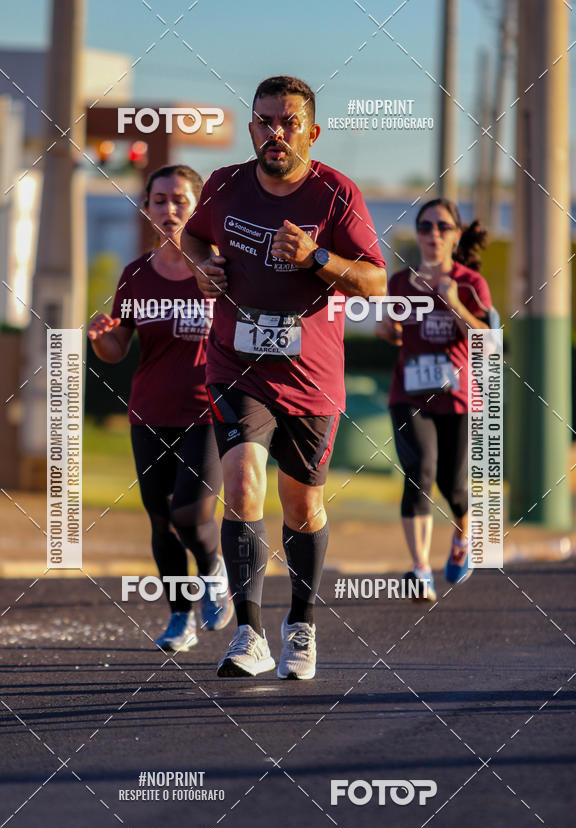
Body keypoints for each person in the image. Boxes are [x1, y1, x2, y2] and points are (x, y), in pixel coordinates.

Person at [181, 75, 387, 679]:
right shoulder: (224, 185)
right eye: (265, 120)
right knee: (242, 483)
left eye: (288, 121)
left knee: (301, 505)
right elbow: (194, 235)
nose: (275, 132)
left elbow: (376, 281)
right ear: (250, 128)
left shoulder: (335, 194)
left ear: (311, 132)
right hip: (235, 365)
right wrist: (201, 267)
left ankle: (301, 625)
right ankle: (249, 633)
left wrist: (318, 257)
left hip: (310, 377)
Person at [87, 164, 233, 651]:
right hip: (149, 410)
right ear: (147, 208)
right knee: (160, 519)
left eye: (180, 200)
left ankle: (214, 570)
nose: (169, 209)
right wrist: (103, 341)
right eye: (159, 200)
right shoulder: (134, 275)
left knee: (190, 513)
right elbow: (118, 349)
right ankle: (179, 618)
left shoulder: (221, 268)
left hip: (208, 410)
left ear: (198, 208)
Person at [377, 198, 492, 602]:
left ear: (456, 235)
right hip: (409, 392)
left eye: (443, 227)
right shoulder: (400, 282)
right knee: (419, 472)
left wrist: (455, 302)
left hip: (458, 397)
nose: (433, 235)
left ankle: (463, 533)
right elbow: (391, 332)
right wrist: (385, 327)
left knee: (454, 486)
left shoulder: (470, 283)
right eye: (425, 227)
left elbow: (487, 341)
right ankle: (420, 568)